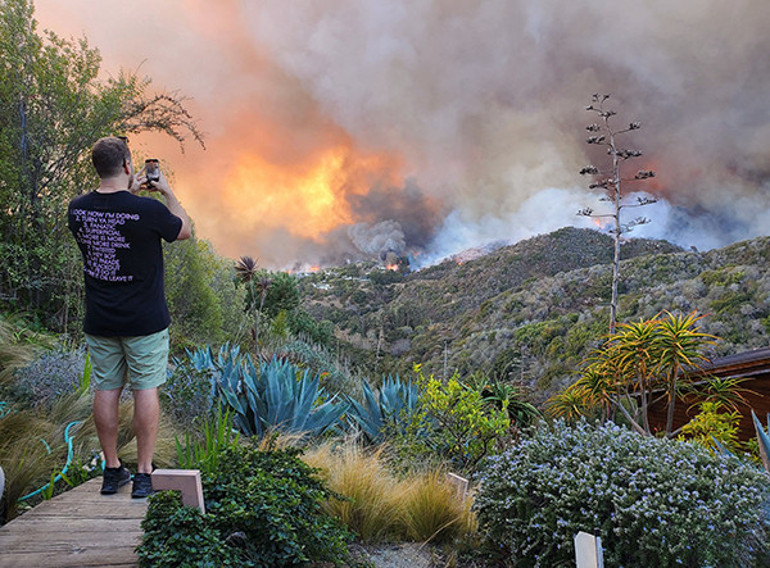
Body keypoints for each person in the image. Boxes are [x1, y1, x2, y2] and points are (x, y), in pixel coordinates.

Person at [68, 136, 191, 498]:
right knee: (145, 389)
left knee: (106, 390)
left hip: (101, 320)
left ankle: (111, 470)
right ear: (127, 166)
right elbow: (183, 230)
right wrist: (167, 192)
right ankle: (143, 474)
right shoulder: (148, 211)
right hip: (145, 322)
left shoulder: (77, 209)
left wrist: (128, 193)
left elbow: (109, 215)